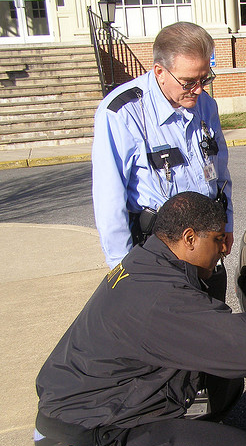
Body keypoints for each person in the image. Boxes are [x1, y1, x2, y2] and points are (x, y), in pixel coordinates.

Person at [35, 192, 246, 446]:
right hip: (90, 438)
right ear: (189, 238)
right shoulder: (161, 296)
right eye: (217, 239)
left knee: (223, 384)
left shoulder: (147, 261)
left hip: (91, 409)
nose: (225, 249)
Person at [92, 21, 232, 301]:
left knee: (210, 333)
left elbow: (220, 173)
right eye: (189, 81)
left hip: (204, 247)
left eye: (205, 79)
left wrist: (225, 226)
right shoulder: (122, 113)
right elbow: (110, 200)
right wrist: (122, 269)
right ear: (159, 72)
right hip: (158, 251)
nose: (199, 90)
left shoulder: (205, 104)